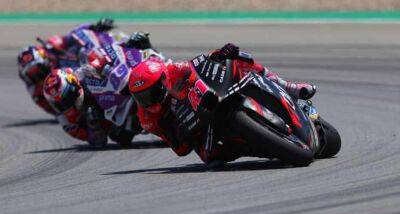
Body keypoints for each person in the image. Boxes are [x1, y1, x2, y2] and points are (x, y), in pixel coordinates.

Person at [128, 43, 317, 166]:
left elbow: (198, 63)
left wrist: (220, 54)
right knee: (211, 158)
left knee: (239, 59)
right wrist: (183, 134)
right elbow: (180, 149)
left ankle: (289, 87)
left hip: (214, 97)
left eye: (151, 93)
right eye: (141, 97)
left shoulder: (173, 71)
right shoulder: (147, 119)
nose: (148, 100)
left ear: (162, 81)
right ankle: (270, 148)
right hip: (201, 132)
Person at [17, 18, 119, 115]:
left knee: (83, 46)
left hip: (84, 60)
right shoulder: (36, 89)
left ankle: (117, 47)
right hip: (79, 84)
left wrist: (94, 27)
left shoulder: (52, 45)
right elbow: (53, 110)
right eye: (31, 74)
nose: (36, 75)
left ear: (44, 59)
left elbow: (72, 35)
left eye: (36, 70)